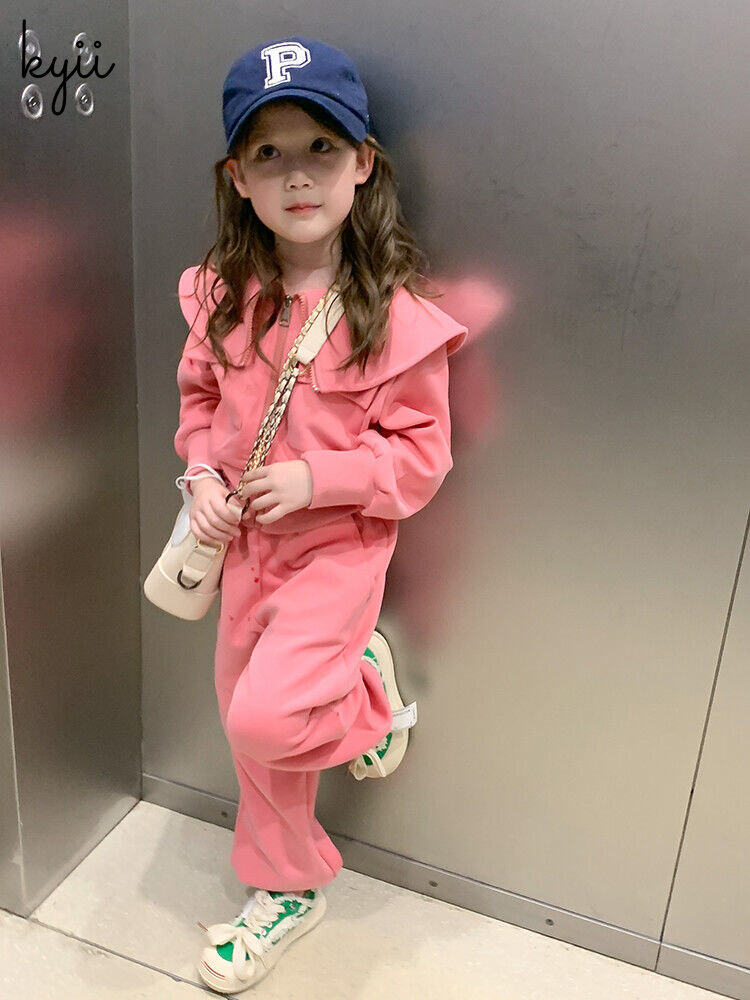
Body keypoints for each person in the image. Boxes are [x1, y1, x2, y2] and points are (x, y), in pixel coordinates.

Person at [172, 35, 468, 993]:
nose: (296, 174)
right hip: (243, 553)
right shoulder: (222, 298)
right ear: (237, 178)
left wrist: (317, 479)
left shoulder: (395, 316)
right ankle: (287, 886)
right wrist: (201, 478)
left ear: (363, 163)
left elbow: (420, 459)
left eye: (320, 148)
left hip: (336, 556)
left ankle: (365, 695)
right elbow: (201, 407)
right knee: (246, 730)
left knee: (266, 721)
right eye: (268, 152)